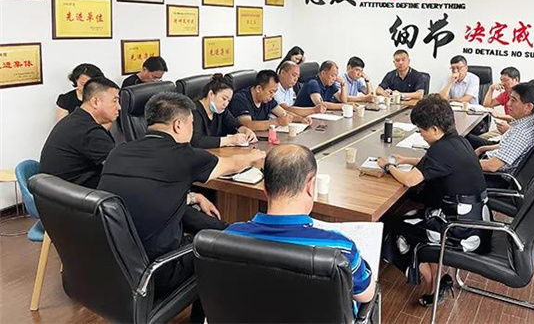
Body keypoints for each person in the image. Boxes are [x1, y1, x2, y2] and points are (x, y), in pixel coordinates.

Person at [99, 91, 265, 323]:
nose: (192, 130)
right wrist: (256, 155)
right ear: (178, 125)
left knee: (215, 226)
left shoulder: (118, 151)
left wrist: (194, 197)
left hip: (110, 266)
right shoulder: (183, 156)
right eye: (191, 124)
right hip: (155, 271)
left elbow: (147, 194)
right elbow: (233, 164)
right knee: (219, 252)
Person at [226, 145, 376, 315]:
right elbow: (366, 294)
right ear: (310, 186)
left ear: (265, 189)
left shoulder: (230, 237)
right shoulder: (340, 248)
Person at [379, 95, 490, 307]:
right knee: (413, 216)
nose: (420, 135)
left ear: (435, 129)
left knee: (392, 226)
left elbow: (410, 180)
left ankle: (433, 282)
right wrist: (406, 160)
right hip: (476, 220)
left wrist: (387, 166)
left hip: (459, 230)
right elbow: (436, 163)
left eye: (421, 130)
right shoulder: (458, 142)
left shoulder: (441, 149)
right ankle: (436, 280)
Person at [41, 77, 120, 188]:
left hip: (55, 190)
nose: (119, 107)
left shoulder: (76, 119)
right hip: (71, 194)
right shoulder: (88, 130)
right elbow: (120, 165)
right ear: (95, 102)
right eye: (114, 101)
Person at [476, 82, 534, 173]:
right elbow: (505, 146)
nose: (508, 104)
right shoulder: (530, 121)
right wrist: (481, 149)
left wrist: (462, 163)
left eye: (513, 100)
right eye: (509, 99)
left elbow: (492, 166)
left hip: (493, 175)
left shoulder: (521, 133)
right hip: (489, 159)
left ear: (528, 107)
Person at [191, 74, 257, 149]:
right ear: (211, 94)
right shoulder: (194, 110)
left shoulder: (221, 110)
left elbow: (235, 125)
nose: (226, 104)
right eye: (224, 99)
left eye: (228, 101)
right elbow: (196, 141)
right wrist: (229, 140)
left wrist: (245, 130)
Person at [229, 70, 298, 131]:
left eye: (275, 92)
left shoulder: (268, 99)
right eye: (271, 92)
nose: (273, 95)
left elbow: (284, 113)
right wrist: (277, 122)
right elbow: (248, 125)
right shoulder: (240, 99)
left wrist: (301, 119)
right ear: (258, 89)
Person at [483, 66, 520, 133]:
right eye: (501, 80)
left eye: (506, 80)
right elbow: (487, 105)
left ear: (516, 80)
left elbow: (518, 117)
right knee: (478, 137)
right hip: (506, 129)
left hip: (516, 130)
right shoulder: (506, 94)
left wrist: (498, 115)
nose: (502, 84)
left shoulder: (523, 94)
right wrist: (491, 89)